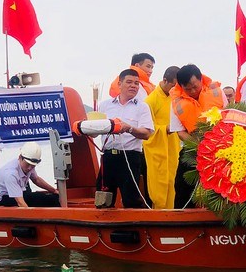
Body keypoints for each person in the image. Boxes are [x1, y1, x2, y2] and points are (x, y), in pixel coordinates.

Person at [169, 64, 228, 208]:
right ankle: (181, 219)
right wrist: (198, 146)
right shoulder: (176, 102)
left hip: (220, 148)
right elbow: (180, 132)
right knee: (182, 187)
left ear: (201, 79)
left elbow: (228, 119)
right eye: (187, 89)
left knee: (221, 188)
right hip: (191, 149)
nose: (193, 91)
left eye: (195, 86)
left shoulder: (218, 93)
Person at [97, 69, 154, 208]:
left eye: (136, 83)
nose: (133, 86)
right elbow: (95, 131)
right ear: (120, 84)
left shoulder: (142, 107)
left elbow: (147, 133)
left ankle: (134, 229)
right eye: (129, 82)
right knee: (102, 198)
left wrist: (129, 128)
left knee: (131, 200)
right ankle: (103, 228)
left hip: (130, 157)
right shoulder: (105, 105)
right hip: (108, 157)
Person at [143, 66, 181, 209]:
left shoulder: (175, 97)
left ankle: (171, 213)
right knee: (159, 182)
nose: (175, 90)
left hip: (172, 145)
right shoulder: (150, 101)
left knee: (172, 179)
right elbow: (147, 129)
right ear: (165, 80)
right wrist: (164, 128)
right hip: (156, 148)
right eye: (173, 86)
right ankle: (158, 212)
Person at [0, 142, 60, 207]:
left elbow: (36, 179)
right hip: (5, 198)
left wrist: (54, 191)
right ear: (20, 157)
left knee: (51, 197)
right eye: (28, 164)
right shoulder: (11, 174)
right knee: (42, 199)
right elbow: (20, 203)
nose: (29, 168)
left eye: (33, 165)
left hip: (20, 191)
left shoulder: (29, 165)